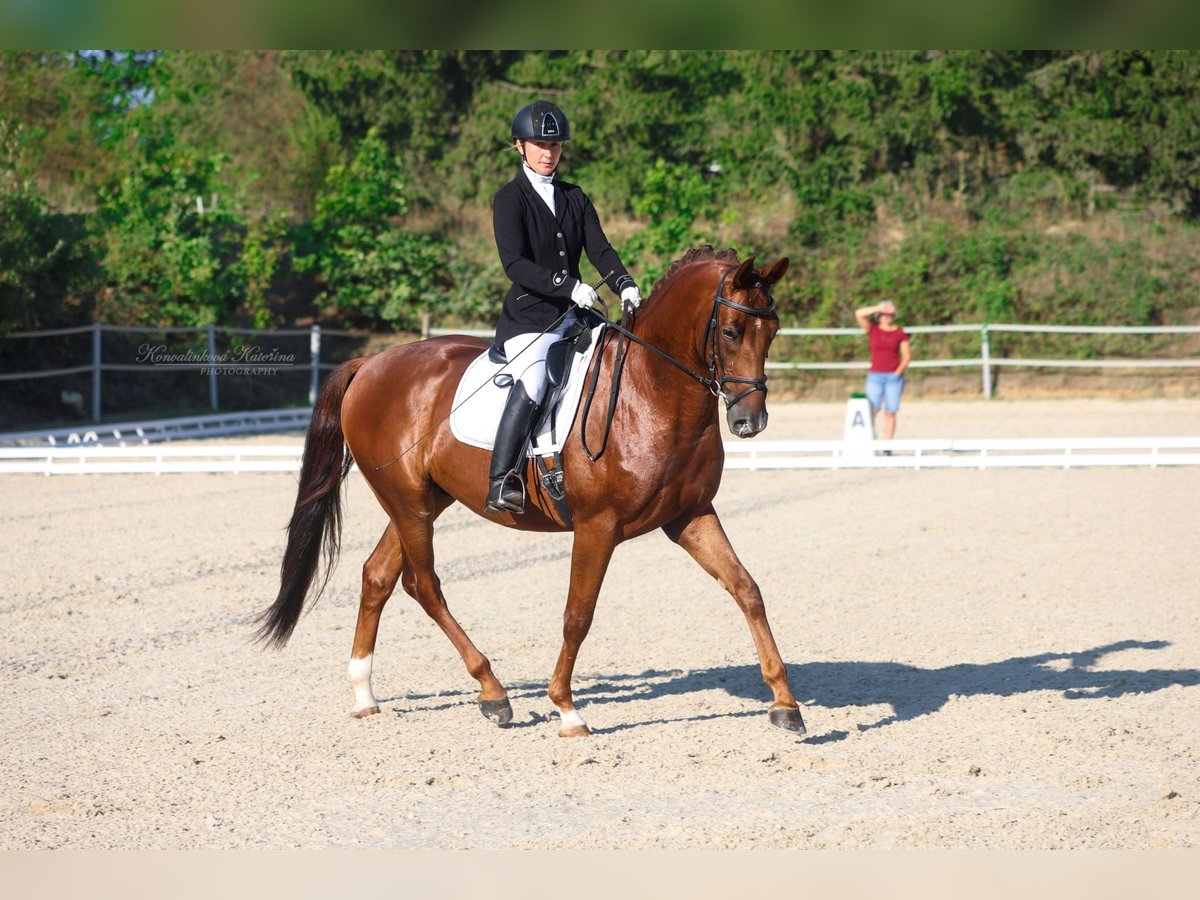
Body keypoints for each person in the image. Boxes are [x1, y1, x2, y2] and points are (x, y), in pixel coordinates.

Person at [485, 100, 642, 515]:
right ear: (520, 146)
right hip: (529, 318)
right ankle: (502, 479)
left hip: (575, 316)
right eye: (539, 144)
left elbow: (600, 250)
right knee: (536, 379)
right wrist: (568, 285)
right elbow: (514, 264)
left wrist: (625, 284)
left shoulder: (575, 197)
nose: (548, 152)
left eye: (554, 145)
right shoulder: (509, 199)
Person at [853, 299, 912, 441]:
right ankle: (869, 439)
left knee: (891, 411)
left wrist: (897, 372)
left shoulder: (899, 333)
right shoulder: (872, 329)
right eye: (884, 314)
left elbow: (907, 356)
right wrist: (878, 307)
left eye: (890, 314)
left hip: (893, 376)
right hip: (875, 376)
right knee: (872, 410)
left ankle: (887, 444)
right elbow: (859, 314)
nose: (887, 317)